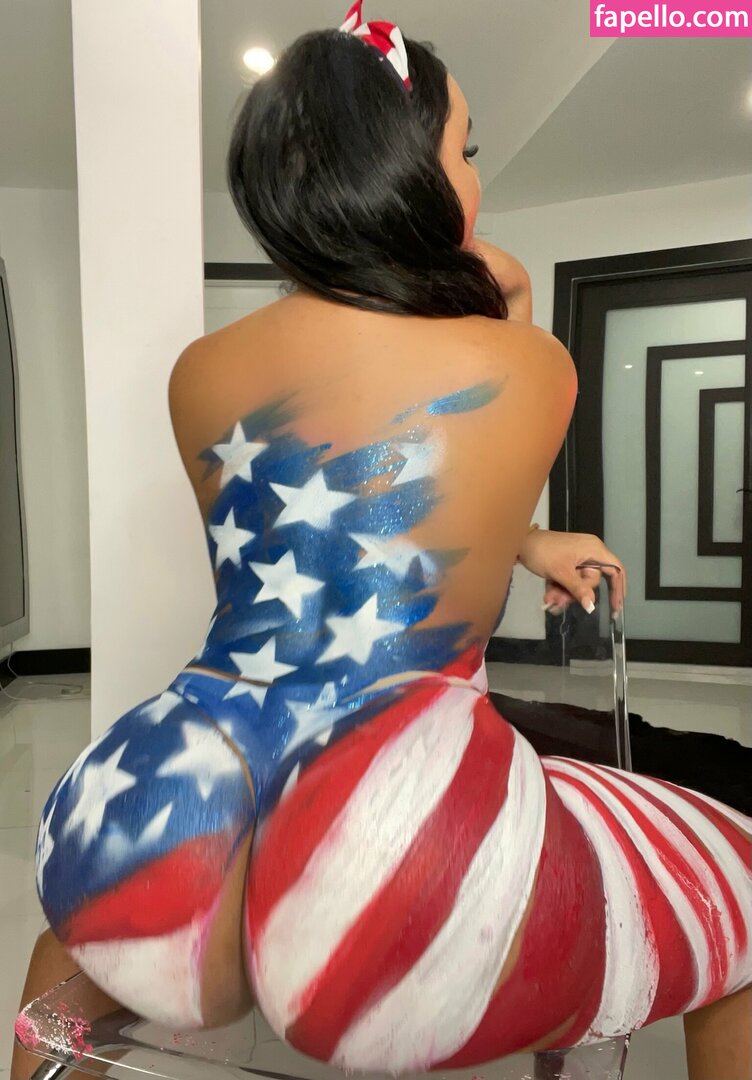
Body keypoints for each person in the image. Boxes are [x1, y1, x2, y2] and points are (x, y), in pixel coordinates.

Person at [13, 4, 751, 1079]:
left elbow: (353, 513)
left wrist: (529, 542)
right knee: (740, 889)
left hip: (160, 796)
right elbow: (486, 326)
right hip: (394, 822)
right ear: (402, 174)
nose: (475, 175)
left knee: (71, 956)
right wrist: (465, 257)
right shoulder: (529, 366)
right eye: (465, 150)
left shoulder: (198, 373)